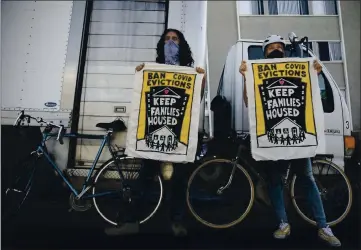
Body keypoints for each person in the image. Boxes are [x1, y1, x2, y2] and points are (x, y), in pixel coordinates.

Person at [239, 35, 341, 247]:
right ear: (265, 52)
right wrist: (245, 78)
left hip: (297, 138)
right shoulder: (258, 73)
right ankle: (284, 223)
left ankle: (323, 226)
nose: (277, 50)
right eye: (272, 48)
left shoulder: (298, 69)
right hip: (274, 139)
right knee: (275, 182)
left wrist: (316, 75)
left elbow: (312, 96)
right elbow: (250, 103)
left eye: (280, 48)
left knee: (307, 178)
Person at [105, 28, 206, 237]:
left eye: (175, 39)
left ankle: (176, 221)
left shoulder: (190, 71)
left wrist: (200, 81)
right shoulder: (153, 69)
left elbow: (197, 101)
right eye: (167, 39)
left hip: (180, 136)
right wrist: (140, 74)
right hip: (154, 136)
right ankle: (132, 221)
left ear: (182, 44)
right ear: (161, 45)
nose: (171, 42)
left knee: (179, 182)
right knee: (144, 179)